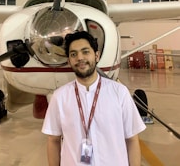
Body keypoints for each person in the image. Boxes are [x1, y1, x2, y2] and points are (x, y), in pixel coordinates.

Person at [42, 31, 146, 166]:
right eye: (73, 54)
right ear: (69, 61)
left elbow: (132, 139)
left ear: (96, 56)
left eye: (85, 52)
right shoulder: (60, 97)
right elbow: (53, 140)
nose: (80, 58)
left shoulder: (120, 92)